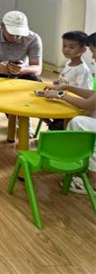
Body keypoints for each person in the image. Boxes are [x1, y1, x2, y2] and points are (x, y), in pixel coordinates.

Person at [44, 33, 96, 194]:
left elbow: (89, 104)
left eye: (94, 52)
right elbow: (93, 95)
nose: (93, 57)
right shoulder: (69, 65)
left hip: (85, 112)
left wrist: (61, 95)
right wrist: (66, 87)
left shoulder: (83, 70)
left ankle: (93, 181)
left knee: (79, 123)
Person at [42, 31, 93, 131]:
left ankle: (56, 127)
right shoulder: (68, 63)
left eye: (71, 47)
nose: (66, 49)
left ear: (83, 50)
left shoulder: (82, 70)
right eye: (64, 46)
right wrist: (60, 83)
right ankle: (53, 125)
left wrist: (62, 92)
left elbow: (84, 95)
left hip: (72, 107)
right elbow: (66, 82)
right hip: (63, 101)